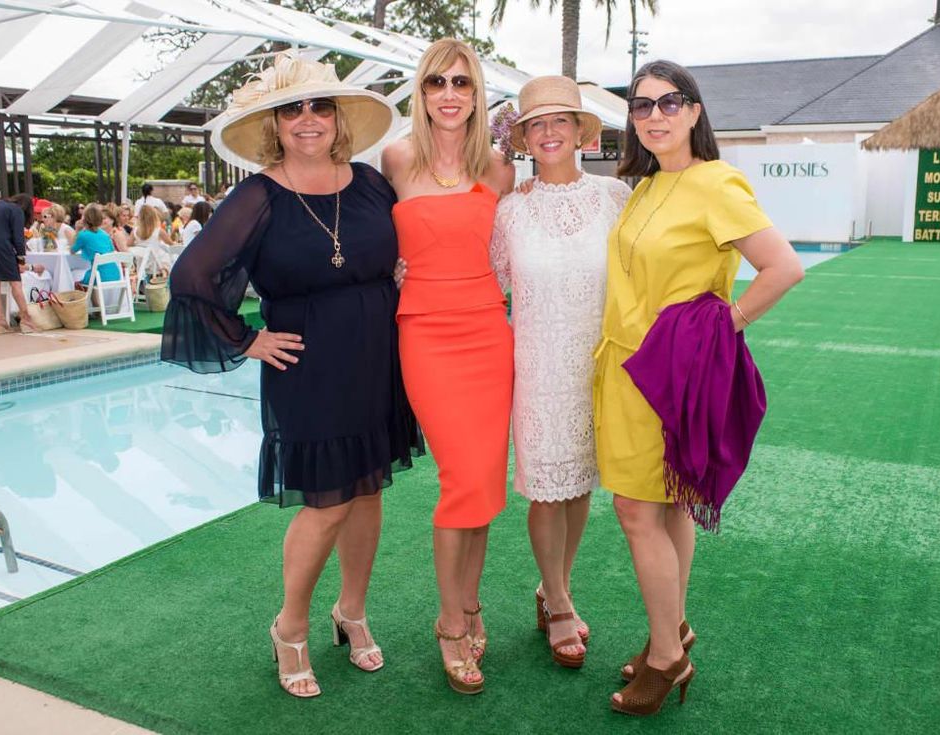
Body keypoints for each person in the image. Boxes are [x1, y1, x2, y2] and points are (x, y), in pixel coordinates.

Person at [161, 52, 421, 699]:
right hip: (309, 366)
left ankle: (352, 610)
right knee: (327, 502)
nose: (308, 118)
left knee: (368, 491)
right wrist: (247, 338)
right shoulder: (258, 195)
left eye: (320, 106)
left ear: (339, 117)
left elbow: (395, 249)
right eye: (292, 108)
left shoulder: (370, 184)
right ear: (274, 124)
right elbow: (191, 277)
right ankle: (291, 625)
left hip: (377, 356)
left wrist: (397, 275)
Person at [598, 60, 803, 716]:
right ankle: (674, 629)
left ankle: (666, 657)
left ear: (693, 111)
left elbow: (783, 267)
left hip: (673, 371)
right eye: (641, 105)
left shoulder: (716, 183)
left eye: (669, 102)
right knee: (671, 505)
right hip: (628, 368)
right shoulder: (644, 186)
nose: (654, 115)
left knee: (636, 510)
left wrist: (724, 326)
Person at [382, 37, 514, 695]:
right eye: (437, 82)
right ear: (421, 91)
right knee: (461, 477)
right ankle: (449, 620)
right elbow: (372, 236)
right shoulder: (396, 158)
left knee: (484, 481)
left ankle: (470, 601)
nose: (449, 94)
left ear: (477, 92)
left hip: (489, 331)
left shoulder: (498, 168)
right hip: (427, 334)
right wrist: (391, 269)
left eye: (461, 82)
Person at [489, 76, 631, 669]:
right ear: (524, 138)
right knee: (548, 490)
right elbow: (490, 284)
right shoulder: (508, 210)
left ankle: (555, 590)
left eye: (560, 121)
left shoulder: (615, 196)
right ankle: (559, 599)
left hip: (600, 365)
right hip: (538, 368)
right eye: (537, 124)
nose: (549, 132)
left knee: (579, 486)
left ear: (580, 132)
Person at [0, 193, 38, 333]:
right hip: (3, 248)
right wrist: (21, 258)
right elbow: (18, 237)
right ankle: (26, 320)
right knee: (15, 283)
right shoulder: (16, 210)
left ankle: (1, 322)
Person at [71, 203, 120, 287]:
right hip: (115, 275)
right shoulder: (105, 234)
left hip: (98, 276)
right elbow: (112, 251)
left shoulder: (83, 235)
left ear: (84, 220)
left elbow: (72, 251)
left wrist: (77, 231)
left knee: (72, 274)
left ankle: (73, 295)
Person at [133, 205, 173, 276]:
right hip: (158, 265)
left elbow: (128, 245)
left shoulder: (135, 231)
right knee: (171, 256)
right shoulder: (159, 231)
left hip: (142, 265)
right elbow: (172, 244)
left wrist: (139, 245)